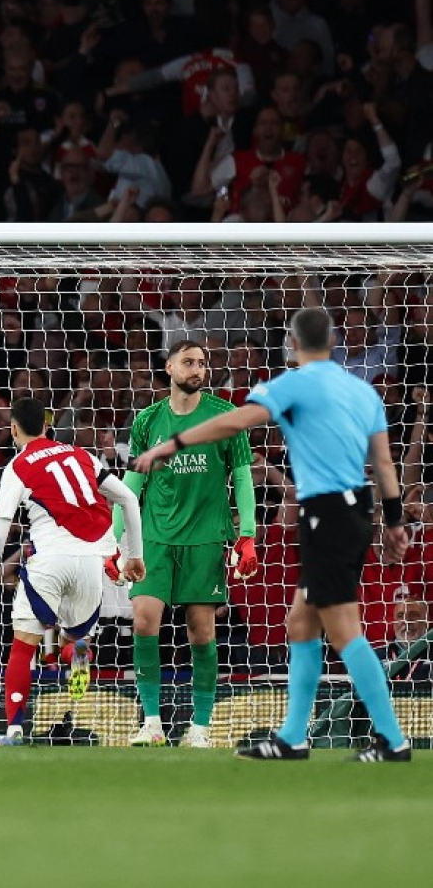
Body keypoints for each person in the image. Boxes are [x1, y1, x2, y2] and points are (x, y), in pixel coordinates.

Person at [136, 308, 412, 762]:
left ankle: (392, 738)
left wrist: (175, 442)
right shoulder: (363, 391)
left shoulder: (293, 383)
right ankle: (292, 738)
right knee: (300, 623)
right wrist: (395, 521)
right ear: (333, 342)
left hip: (327, 515)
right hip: (355, 513)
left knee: (344, 631)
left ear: (293, 343)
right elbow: (383, 462)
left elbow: (236, 421)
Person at [115, 339, 256, 748]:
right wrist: (113, 540)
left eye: (203, 363)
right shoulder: (147, 420)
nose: (198, 370)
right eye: (189, 362)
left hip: (205, 537)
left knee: (201, 632)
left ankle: (201, 727)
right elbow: (132, 484)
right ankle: (152, 724)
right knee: (144, 620)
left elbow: (242, 476)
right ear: (170, 368)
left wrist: (247, 534)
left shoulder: (225, 416)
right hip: (154, 537)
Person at [0, 397, 145, 745]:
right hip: (91, 562)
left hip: (49, 559)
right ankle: (77, 653)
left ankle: (13, 730)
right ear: (47, 426)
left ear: (13, 429)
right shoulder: (81, 455)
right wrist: (135, 556)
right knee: (74, 638)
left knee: (24, 645)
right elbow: (129, 499)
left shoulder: (18, 465)